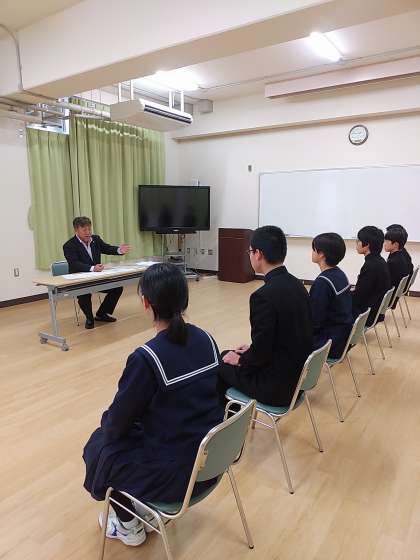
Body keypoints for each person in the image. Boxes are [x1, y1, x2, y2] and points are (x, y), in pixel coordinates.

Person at [83, 263, 224, 547]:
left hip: (178, 476)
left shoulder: (147, 357)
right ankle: (143, 506)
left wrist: (109, 423)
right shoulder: (206, 339)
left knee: (99, 447)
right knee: (123, 435)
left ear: (146, 303)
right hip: (211, 463)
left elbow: (116, 425)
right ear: (184, 300)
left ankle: (129, 525)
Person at [218, 225, 313, 407]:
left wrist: (242, 359)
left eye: (250, 251)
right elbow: (282, 336)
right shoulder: (298, 285)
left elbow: (261, 353)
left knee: (221, 363)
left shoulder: (262, 296)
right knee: (230, 355)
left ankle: (231, 420)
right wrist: (250, 352)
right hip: (299, 377)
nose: (250, 255)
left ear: (258, 254)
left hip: (277, 387)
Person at [63, 216, 130, 329]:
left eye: (89, 229)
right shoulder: (69, 245)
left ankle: (101, 314)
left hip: (97, 278)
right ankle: (89, 318)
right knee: (84, 293)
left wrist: (119, 250)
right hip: (79, 280)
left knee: (117, 287)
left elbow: (107, 248)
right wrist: (92, 268)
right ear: (76, 230)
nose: (88, 232)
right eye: (84, 230)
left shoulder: (96, 239)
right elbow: (74, 264)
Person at [309, 233, 353, 359]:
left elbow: (314, 321)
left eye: (313, 249)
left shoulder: (323, 282)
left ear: (321, 254)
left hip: (329, 344)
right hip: (342, 338)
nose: (312, 252)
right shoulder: (340, 274)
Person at [352, 226, 391, 327]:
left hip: (366, 315)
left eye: (358, 240)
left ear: (367, 245)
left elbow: (359, 298)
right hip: (375, 311)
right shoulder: (380, 261)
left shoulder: (370, 266)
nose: (356, 243)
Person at [384, 227, 411, 309]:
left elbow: (385, 284)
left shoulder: (393, 262)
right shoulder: (400, 256)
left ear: (395, 244)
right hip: (393, 296)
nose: (384, 243)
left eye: (387, 241)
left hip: (387, 299)